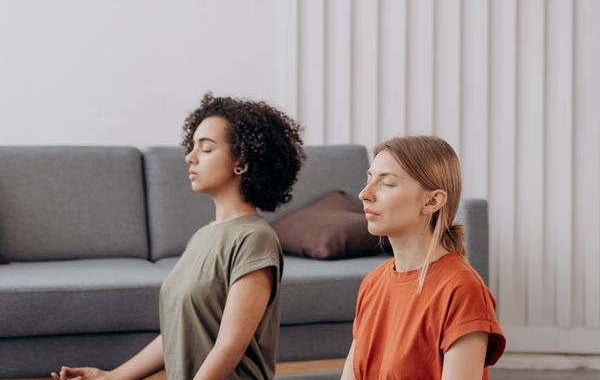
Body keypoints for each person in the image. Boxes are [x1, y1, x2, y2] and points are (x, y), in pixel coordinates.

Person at [51, 93, 305, 380]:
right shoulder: (202, 236)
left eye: (206, 149)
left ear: (242, 162)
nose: (190, 157)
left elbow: (230, 345)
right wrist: (110, 377)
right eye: (192, 146)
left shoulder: (255, 238)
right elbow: (178, 331)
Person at [340, 135, 506, 380]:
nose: (365, 193)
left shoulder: (462, 290)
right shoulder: (373, 283)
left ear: (432, 200)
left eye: (386, 183)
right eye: (369, 178)